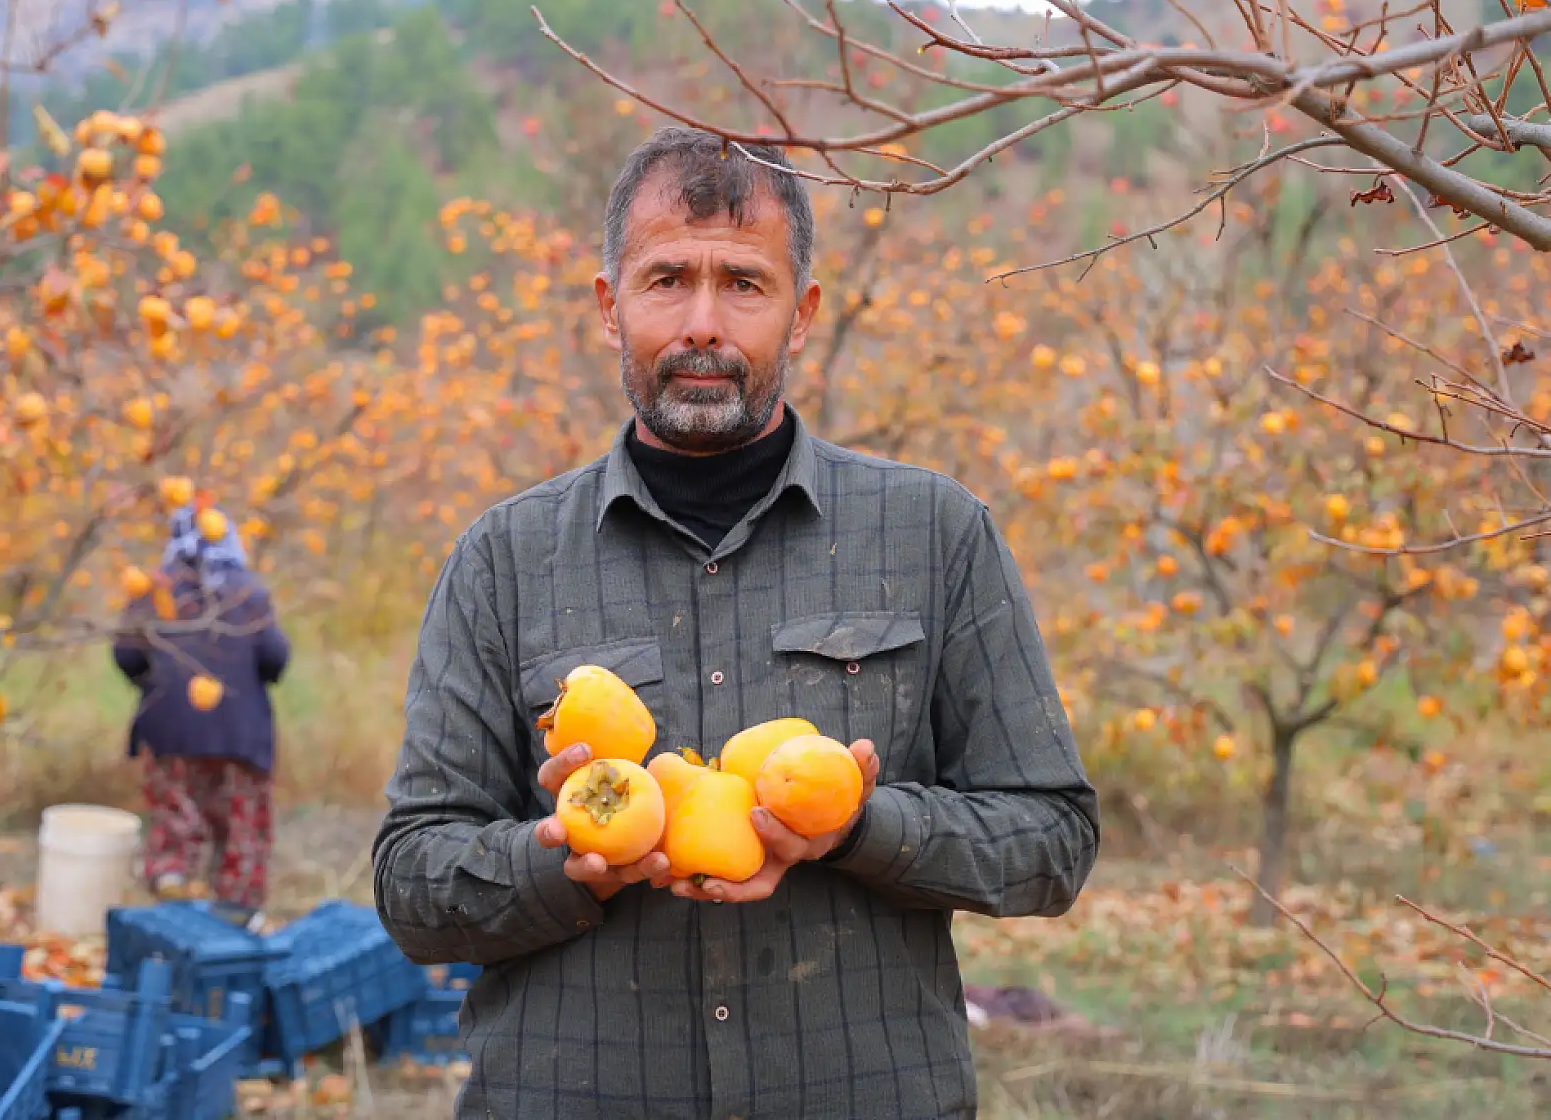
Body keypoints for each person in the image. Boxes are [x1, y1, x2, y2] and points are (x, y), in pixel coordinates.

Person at [373, 127, 1100, 1120]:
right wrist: (565, 857)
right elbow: (411, 880)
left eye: (743, 285)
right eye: (666, 278)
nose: (701, 324)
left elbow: (1051, 840)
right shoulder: (503, 559)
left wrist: (856, 825)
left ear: (800, 315)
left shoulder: (933, 533)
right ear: (607, 304)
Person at [111, 503, 290, 922]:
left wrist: (153, 682)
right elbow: (275, 659)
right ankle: (238, 910)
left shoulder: (155, 590)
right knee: (241, 825)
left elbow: (125, 654)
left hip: (169, 727)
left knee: (178, 816)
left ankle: (175, 894)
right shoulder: (247, 590)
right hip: (239, 732)